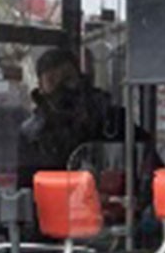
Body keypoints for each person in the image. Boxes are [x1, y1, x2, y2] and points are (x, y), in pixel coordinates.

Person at [20, 47, 112, 175]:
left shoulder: (105, 115)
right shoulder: (31, 133)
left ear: (79, 79)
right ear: (41, 87)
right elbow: (27, 184)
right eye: (51, 81)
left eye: (67, 79)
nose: (61, 88)